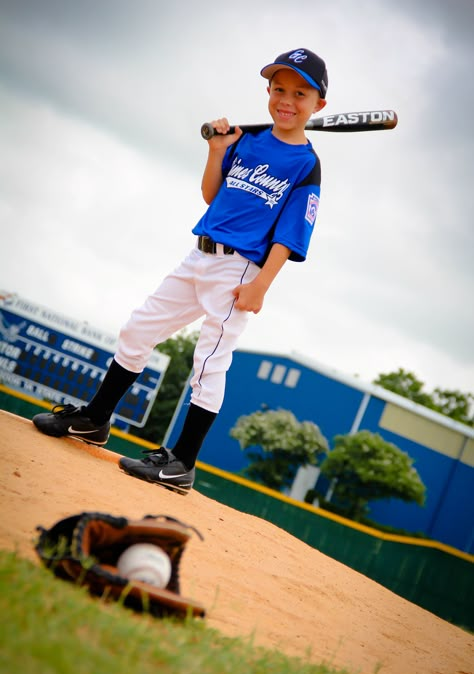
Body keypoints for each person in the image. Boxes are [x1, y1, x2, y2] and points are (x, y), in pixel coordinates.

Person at [32, 48, 328, 495]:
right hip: (199, 257)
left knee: (208, 363)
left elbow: (291, 235)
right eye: (279, 89)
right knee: (138, 329)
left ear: (318, 104)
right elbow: (212, 194)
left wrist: (261, 285)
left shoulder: (306, 164)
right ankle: (95, 418)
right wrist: (216, 150)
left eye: (300, 94)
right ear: (267, 91)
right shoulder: (247, 141)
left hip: (241, 272)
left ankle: (182, 463)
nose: (287, 100)